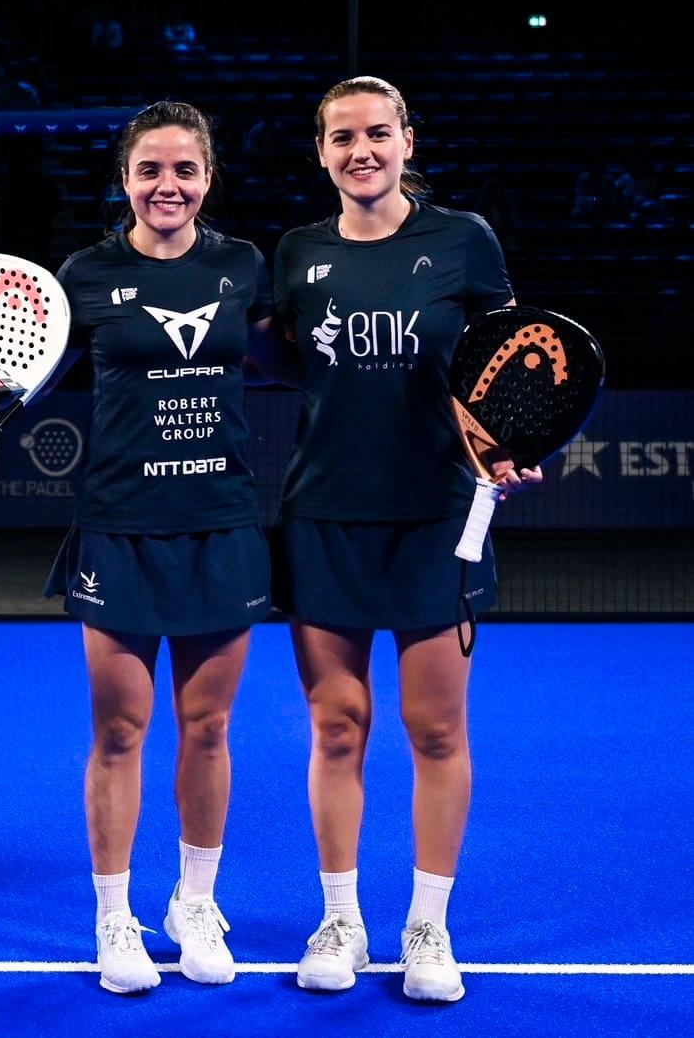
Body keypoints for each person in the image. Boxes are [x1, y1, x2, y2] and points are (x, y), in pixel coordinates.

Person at [0, 100, 294, 994]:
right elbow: (28, 374)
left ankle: (195, 903)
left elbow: (290, 360)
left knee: (208, 728)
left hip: (220, 523)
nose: (166, 185)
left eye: (184, 170)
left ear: (207, 178)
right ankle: (114, 917)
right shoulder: (87, 274)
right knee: (120, 731)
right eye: (150, 170)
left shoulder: (243, 268)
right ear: (125, 180)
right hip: (119, 527)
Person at [271, 76, 542, 1003]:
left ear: (408, 141)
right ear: (321, 153)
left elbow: (508, 371)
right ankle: (340, 919)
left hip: (437, 523)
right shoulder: (298, 254)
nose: (362, 152)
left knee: (435, 729)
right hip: (326, 521)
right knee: (337, 727)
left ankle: (428, 926)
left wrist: (508, 444)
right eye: (342, 138)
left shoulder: (463, 242)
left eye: (377, 134)